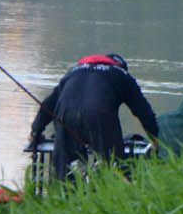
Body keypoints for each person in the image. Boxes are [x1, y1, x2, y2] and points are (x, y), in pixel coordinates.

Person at [27, 54, 161, 178]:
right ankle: (105, 195)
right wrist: (155, 138)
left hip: (64, 116)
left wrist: (36, 130)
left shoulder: (74, 72)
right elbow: (143, 111)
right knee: (111, 164)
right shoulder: (122, 75)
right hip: (99, 115)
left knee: (65, 168)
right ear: (121, 67)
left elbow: (48, 104)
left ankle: (63, 197)